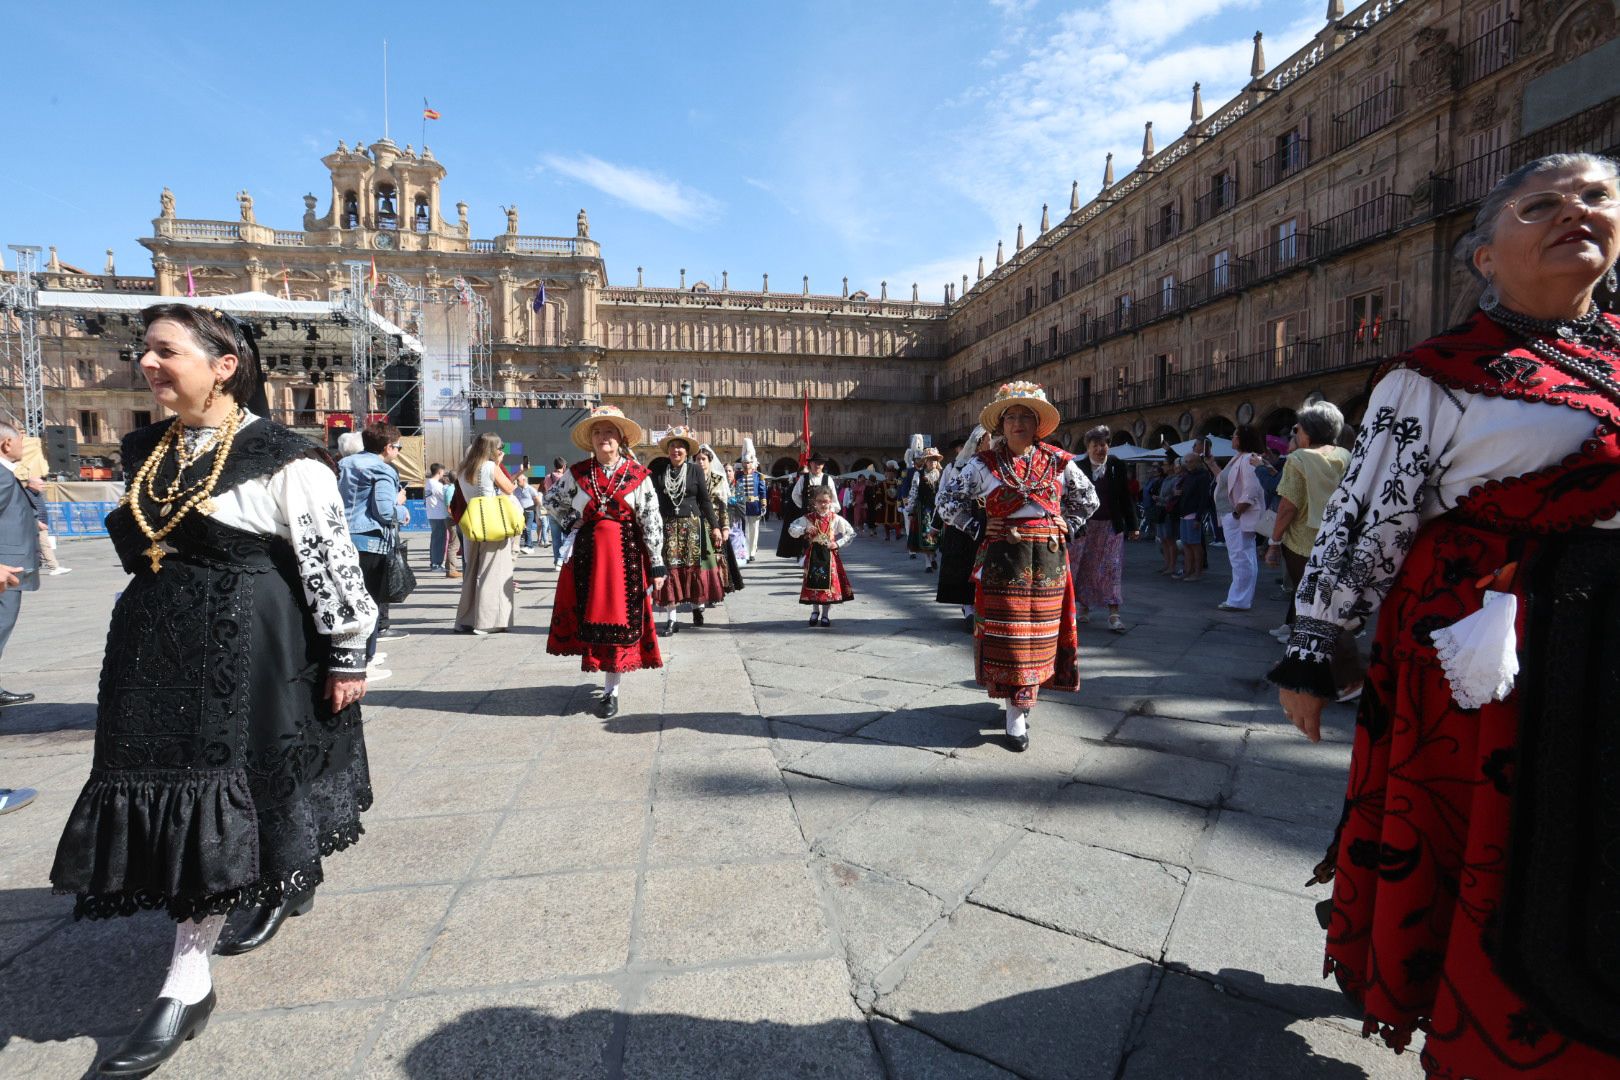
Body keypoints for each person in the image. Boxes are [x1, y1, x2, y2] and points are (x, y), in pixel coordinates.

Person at [1272, 154, 1620, 1079]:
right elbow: (1364, 517)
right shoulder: (1436, 375)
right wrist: (1315, 650)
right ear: (1485, 257)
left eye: (1597, 197)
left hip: (1611, 642)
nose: (1575, 212)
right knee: (1503, 842)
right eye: (1540, 205)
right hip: (1496, 652)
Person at [51, 304, 376, 1075]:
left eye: (166, 351)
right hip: (152, 648)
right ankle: (275, 883)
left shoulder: (284, 457)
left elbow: (330, 561)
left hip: (246, 645)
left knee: (232, 785)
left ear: (224, 365)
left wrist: (347, 654)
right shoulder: (147, 449)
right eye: (144, 349)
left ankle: (186, 979)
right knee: (185, 785)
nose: (147, 363)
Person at [936, 382, 1098, 752]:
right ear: (1001, 424)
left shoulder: (1059, 462)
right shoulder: (983, 464)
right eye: (1011, 416)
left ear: (1038, 424)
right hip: (1003, 562)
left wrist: (1069, 524)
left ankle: (1021, 703)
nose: (1018, 423)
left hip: (1049, 560)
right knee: (1010, 637)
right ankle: (1015, 712)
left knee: (1041, 635)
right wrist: (977, 526)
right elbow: (946, 501)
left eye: (1026, 416)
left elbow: (1089, 499)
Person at [545, 405, 666, 718]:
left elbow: (651, 519)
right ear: (591, 439)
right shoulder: (578, 474)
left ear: (621, 437)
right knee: (591, 617)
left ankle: (612, 690)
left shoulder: (638, 475)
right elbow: (551, 500)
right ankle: (603, 676)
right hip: (589, 558)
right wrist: (572, 520)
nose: (603, 437)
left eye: (609, 431)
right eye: (597, 432)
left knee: (619, 621)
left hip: (625, 558)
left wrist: (657, 562)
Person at [1264, 402, 1359, 697]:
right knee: (1321, 604)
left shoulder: (1299, 459)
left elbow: (1288, 506)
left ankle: (1350, 676)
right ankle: (1300, 663)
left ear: (1308, 431)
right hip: (1338, 540)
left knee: (1314, 608)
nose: (1296, 433)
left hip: (1303, 542)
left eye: (1298, 428)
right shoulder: (1345, 455)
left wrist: (1273, 542)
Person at [338, 421, 407, 679]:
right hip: (369, 541)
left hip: (341, 538)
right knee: (369, 603)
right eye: (398, 447)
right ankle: (365, 660)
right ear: (388, 447)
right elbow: (385, 511)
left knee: (347, 602)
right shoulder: (382, 470)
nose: (398, 451)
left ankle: (347, 657)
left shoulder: (343, 464)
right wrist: (402, 509)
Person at [650, 427, 726, 633]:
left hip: (692, 526)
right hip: (667, 526)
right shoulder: (660, 471)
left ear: (686, 451)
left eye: (680, 447)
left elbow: (705, 501)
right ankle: (671, 619)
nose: (676, 450)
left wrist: (716, 527)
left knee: (693, 569)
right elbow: (652, 500)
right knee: (670, 570)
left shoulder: (695, 470)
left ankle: (696, 607)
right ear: (668, 450)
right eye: (673, 446)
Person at [1068, 425, 1139, 632]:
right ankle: (1083, 607)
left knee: (1112, 568)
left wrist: (1133, 525)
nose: (1100, 449)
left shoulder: (1116, 465)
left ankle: (1114, 615)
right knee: (1084, 567)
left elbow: (1125, 497)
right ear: (1088, 447)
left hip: (1111, 526)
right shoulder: (1077, 466)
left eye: (1103, 445)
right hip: (1085, 527)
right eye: (1095, 445)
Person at [455, 432, 518, 634]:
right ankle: (488, 622)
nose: (501, 451)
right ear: (493, 449)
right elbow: (509, 488)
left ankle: (466, 619)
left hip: (473, 522)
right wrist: (498, 464)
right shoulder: (490, 466)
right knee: (493, 572)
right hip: (492, 523)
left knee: (472, 572)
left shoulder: (463, 469)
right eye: (500, 448)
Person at [0, 423, 40, 708]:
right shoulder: (1, 476)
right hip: (6, 570)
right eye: (21, 442)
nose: (23, 447)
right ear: (6, 444)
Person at [935, 426, 989, 629]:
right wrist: (936, 525)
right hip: (964, 524)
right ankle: (968, 607)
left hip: (988, 522)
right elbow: (943, 497)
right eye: (989, 439)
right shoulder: (955, 468)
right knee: (964, 565)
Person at [1216, 425, 1267, 612]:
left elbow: (1252, 489)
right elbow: (1224, 481)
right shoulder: (1239, 457)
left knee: (1241, 558)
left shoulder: (1247, 459)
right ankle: (1240, 598)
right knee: (1243, 556)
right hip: (1233, 514)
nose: (1232, 438)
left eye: (1234, 435)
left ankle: (1238, 600)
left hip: (1238, 515)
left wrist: (1237, 512)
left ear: (1241, 439)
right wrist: (1211, 463)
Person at [789, 484, 855, 626]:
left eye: (825, 501)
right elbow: (792, 528)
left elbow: (850, 532)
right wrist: (804, 530)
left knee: (828, 585)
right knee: (814, 583)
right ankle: (815, 611)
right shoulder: (808, 518)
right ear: (814, 502)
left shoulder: (835, 518)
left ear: (830, 501)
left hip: (829, 556)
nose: (823, 504)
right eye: (819, 501)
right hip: (813, 556)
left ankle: (825, 614)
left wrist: (837, 543)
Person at [699, 443, 744, 599]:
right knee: (700, 561)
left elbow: (723, 506)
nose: (700, 462)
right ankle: (702, 592)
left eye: (703, 459)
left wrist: (725, 527)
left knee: (718, 559)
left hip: (715, 524)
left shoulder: (718, 479)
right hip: (697, 524)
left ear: (710, 461)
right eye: (698, 459)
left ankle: (717, 590)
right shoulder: (692, 479)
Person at [776, 453, 838, 560]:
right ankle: (805, 559)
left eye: (820, 463)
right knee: (806, 537)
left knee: (823, 537)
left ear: (823, 465)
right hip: (807, 515)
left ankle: (821, 559)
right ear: (811, 464)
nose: (817, 465)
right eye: (815, 463)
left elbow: (834, 499)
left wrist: (829, 512)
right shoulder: (803, 478)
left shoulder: (828, 479)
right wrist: (803, 506)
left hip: (823, 516)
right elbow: (795, 495)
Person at [1175, 450, 1213, 581]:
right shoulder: (1188, 475)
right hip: (1184, 513)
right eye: (1186, 462)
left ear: (1197, 462)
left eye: (1190, 462)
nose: (1188, 464)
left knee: (1195, 544)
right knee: (1186, 544)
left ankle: (1197, 573)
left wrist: (1198, 518)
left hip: (1193, 514)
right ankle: (1188, 570)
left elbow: (1204, 498)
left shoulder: (1203, 476)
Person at [905, 446, 944, 571]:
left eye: (935, 460)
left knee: (938, 535)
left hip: (938, 510)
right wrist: (910, 510)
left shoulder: (941, 475)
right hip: (924, 509)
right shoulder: (918, 474)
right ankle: (928, 562)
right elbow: (913, 493)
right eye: (930, 460)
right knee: (926, 534)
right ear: (925, 461)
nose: (933, 462)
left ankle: (933, 556)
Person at [735, 439, 768, 561]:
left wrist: (763, 505)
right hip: (742, 506)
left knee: (754, 530)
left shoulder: (759, 476)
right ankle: (745, 551)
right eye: (744, 462)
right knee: (743, 530)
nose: (746, 465)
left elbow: (762, 492)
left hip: (754, 505)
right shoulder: (738, 475)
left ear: (752, 463)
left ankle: (752, 552)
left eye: (748, 462)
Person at [1153, 456, 1183, 574]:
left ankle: (1172, 566)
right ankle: (1167, 564)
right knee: (1163, 539)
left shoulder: (1175, 479)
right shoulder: (1166, 479)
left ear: (1171, 466)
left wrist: (1160, 499)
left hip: (1168, 512)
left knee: (1170, 539)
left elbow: (1174, 496)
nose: (1163, 467)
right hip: (1161, 510)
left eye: (1165, 464)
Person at [542, 456, 569, 567]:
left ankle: (557, 560)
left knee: (555, 538)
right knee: (566, 537)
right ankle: (562, 559)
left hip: (552, 511)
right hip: (564, 512)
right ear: (564, 466)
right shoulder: (566, 477)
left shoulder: (548, 477)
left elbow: (546, 491)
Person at [513, 473, 539, 553]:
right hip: (521, 512)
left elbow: (537, 499)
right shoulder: (516, 490)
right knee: (524, 529)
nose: (517, 482)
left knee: (528, 528)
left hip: (530, 511)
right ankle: (528, 546)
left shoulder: (530, 489)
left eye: (518, 480)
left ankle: (529, 546)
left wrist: (535, 507)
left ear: (524, 480)